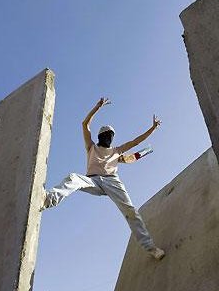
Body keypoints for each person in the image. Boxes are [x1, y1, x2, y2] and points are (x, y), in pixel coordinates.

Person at [42, 97, 165, 260]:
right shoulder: (91, 147)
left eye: (110, 136)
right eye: (106, 135)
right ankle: (48, 199)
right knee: (73, 178)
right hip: (92, 181)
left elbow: (136, 142)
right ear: (100, 136)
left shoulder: (117, 150)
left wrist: (153, 128)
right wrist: (97, 107)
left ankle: (151, 248)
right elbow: (85, 124)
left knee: (130, 211)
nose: (109, 138)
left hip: (112, 181)